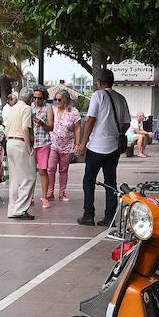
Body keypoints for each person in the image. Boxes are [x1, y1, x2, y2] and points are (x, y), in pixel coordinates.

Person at [76, 69, 129, 227]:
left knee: (89, 180)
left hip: (97, 146)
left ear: (99, 82)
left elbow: (91, 120)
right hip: (114, 147)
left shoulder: (98, 95)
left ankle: (88, 214)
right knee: (110, 182)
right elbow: (126, 123)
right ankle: (110, 216)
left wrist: (83, 143)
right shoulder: (121, 98)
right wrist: (116, 133)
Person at [4, 87, 35, 220]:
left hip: (9, 143)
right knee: (29, 178)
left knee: (14, 179)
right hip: (20, 143)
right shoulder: (26, 109)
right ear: (30, 99)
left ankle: (12, 209)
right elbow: (25, 128)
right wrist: (29, 147)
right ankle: (20, 209)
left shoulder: (12, 109)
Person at [46, 88, 78, 203]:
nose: (57, 102)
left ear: (65, 100)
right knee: (51, 168)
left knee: (63, 170)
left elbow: (77, 128)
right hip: (53, 144)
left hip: (67, 145)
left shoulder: (73, 112)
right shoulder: (53, 110)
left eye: (59, 100)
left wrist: (78, 144)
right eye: (55, 99)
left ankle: (62, 192)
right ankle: (50, 192)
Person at [30, 85, 53, 208]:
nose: (36, 100)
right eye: (34, 98)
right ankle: (30, 197)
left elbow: (51, 127)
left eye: (39, 98)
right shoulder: (30, 108)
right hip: (31, 143)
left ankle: (44, 197)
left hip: (43, 143)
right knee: (30, 172)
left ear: (44, 98)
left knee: (43, 171)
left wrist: (42, 123)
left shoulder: (48, 108)